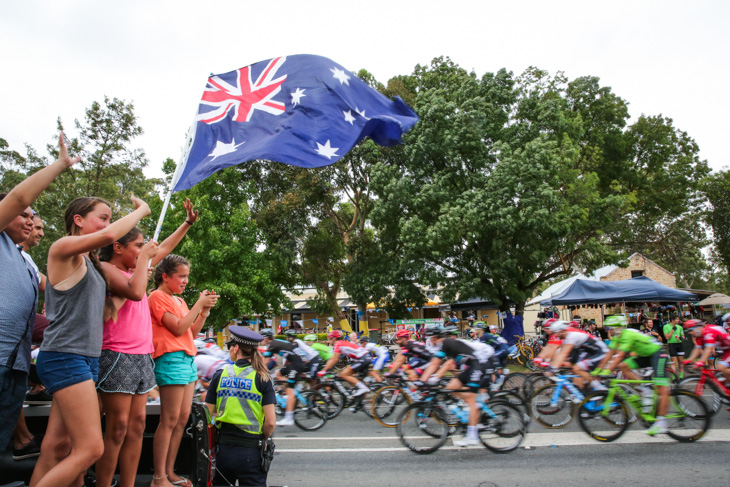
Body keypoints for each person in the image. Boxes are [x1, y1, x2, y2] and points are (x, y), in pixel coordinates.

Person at [30, 193, 151, 487]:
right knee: (91, 448)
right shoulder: (63, 248)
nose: (108, 225)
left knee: (57, 446)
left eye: (110, 219)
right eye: (103, 217)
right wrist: (143, 211)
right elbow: (111, 235)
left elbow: (134, 281)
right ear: (78, 220)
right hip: (64, 356)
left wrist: (148, 254)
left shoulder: (92, 261)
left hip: (84, 357)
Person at [94, 199, 199, 487]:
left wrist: (187, 223)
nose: (144, 251)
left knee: (137, 426)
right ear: (118, 247)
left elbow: (164, 248)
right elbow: (136, 292)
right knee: (117, 429)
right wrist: (143, 262)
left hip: (142, 356)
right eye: (138, 245)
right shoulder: (105, 268)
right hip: (117, 354)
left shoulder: (137, 268)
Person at [0, 133, 79, 456]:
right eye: (25, 215)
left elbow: (56, 286)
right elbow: (18, 198)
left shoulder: (22, 257)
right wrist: (60, 164)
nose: (31, 221)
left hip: (13, 366)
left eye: (33, 217)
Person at [148, 255, 218, 487]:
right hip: (170, 359)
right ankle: (159, 477)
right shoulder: (157, 296)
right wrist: (199, 304)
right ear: (165, 276)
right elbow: (177, 328)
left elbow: (190, 330)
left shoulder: (178, 301)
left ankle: (169, 473)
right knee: (168, 420)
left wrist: (204, 311)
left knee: (180, 421)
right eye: (182, 276)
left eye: (187, 276)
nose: (186, 281)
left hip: (186, 359)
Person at [205, 326, 275, 487]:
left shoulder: (220, 374)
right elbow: (270, 422)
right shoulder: (262, 377)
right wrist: (263, 438)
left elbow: (207, 414)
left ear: (236, 348)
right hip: (251, 452)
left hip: (223, 451)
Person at [592, 315, 670, 436]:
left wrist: (607, 371)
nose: (608, 330)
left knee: (662, 388)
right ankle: (644, 390)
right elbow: (609, 355)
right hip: (645, 355)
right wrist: (597, 370)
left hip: (657, 353)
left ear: (617, 328)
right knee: (624, 366)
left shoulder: (627, 334)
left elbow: (619, 356)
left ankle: (661, 422)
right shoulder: (618, 337)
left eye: (609, 327)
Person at [419, 325, 494, 447]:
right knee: (450, 387)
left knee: (471, 399)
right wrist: (431, 378)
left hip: (482, 363)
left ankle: (472, 436)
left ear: (434, 338)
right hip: (474, 364)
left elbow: (436, 363)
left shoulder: (447, 342)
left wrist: (424, 380)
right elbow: (446, 364)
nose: (428, 342)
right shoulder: (449, 344)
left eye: (429, 339)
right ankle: (472, 413)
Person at [259, 328, 307, 427]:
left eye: (261, 338)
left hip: (297, 364)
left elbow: (266, 362)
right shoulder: (275, 343)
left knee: (290, 391)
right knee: (278, 374)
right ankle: (292, 390)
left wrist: (257, 372)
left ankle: (289, 418)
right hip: (294, 362)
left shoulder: (272, 345)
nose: (260, 341)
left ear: (266, 338)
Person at [682, 319, 730, 385]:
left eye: (690, 330)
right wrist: (688, 360)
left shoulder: (708, 331)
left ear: (697, 328)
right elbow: (697, 349)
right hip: (726, 350)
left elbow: (708, 349)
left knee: (721, 367)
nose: (690, 333)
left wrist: (701, 362)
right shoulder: (701, 335)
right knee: (725, 378)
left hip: (728, 349)